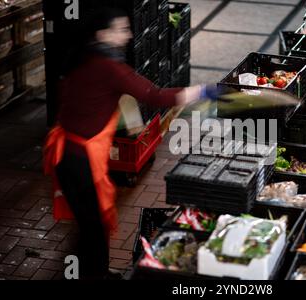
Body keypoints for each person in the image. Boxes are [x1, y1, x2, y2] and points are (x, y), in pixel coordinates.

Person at [43, 7, 217, 280]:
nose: (128, 35)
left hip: (67, 154)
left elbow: (95, 98)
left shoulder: (84, 57)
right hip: (79, 158)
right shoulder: (108, 67)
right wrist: (202, 91)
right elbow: (155, 95)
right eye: (121, 30)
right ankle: (94, 275)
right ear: (103, 34)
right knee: (94, 225)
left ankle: (92, 271)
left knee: (89, 223)